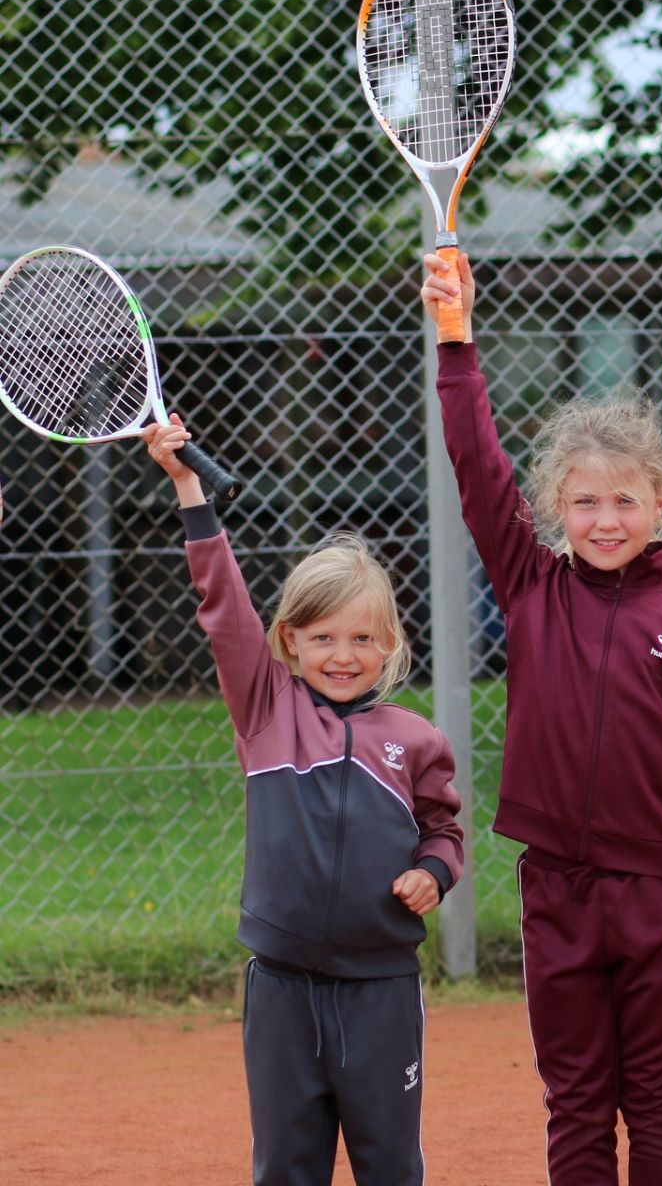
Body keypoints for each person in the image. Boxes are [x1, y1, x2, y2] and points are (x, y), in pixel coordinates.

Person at [422, 252, 662, 1184]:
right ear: (552, 510)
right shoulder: (530, 588)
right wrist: (458, 342)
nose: (605, 520)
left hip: (659, 897)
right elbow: (474, 461)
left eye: (624, 500)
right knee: (574, 1098)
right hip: (555, 892)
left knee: (656, 1096)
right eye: (583, 503)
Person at [144, 413, 463, 1186]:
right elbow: (223, 609)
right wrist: (191, 489)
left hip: (381, 988)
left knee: (390, 1162)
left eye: (361, 639)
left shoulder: (413, 738)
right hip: (282, 988)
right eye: (321, 639)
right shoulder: (265, 709)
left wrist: (435, 872)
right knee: (287, 1165)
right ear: (288, 641)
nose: (343, 656)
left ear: (388, 644)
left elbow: (444, 831)